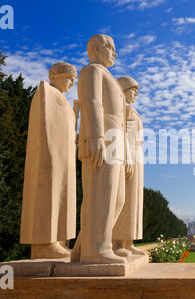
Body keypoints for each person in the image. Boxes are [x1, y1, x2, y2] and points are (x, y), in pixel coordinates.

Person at [71, 34, 132, 264]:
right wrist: (95, 135)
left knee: (115, 199)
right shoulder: (91, 71)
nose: (115, 53)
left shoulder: (109, 77)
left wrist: (124, 150)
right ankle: (96, 249)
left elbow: (120, 120)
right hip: (101, 140)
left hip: (114, 140)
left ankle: (82, 249)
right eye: (111, 48)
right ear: (97, 48)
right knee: (100, 196)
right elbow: (91, 102)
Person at [20, 62, 78, 259]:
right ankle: (45, 244)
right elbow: (45, 127)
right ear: (56, 76)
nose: (72, 82)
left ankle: (60, 240)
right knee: (48, 196)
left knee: (64, 197)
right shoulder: (45, 93)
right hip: (50, 157)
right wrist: (51, 155)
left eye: (74, 79)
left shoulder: (63, 101)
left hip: (64, 158)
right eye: (70, 78)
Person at [111, 76, 147, 257]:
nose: (136, 94)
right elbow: (123, 135)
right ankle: (118, 243)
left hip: (137, 154)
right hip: (128, 155)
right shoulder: (122, 110)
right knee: (125, 200)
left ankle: (129, 241)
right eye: (133, 89)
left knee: (134, 201)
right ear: (123, 90)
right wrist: (127, 157)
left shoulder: (132, 110)